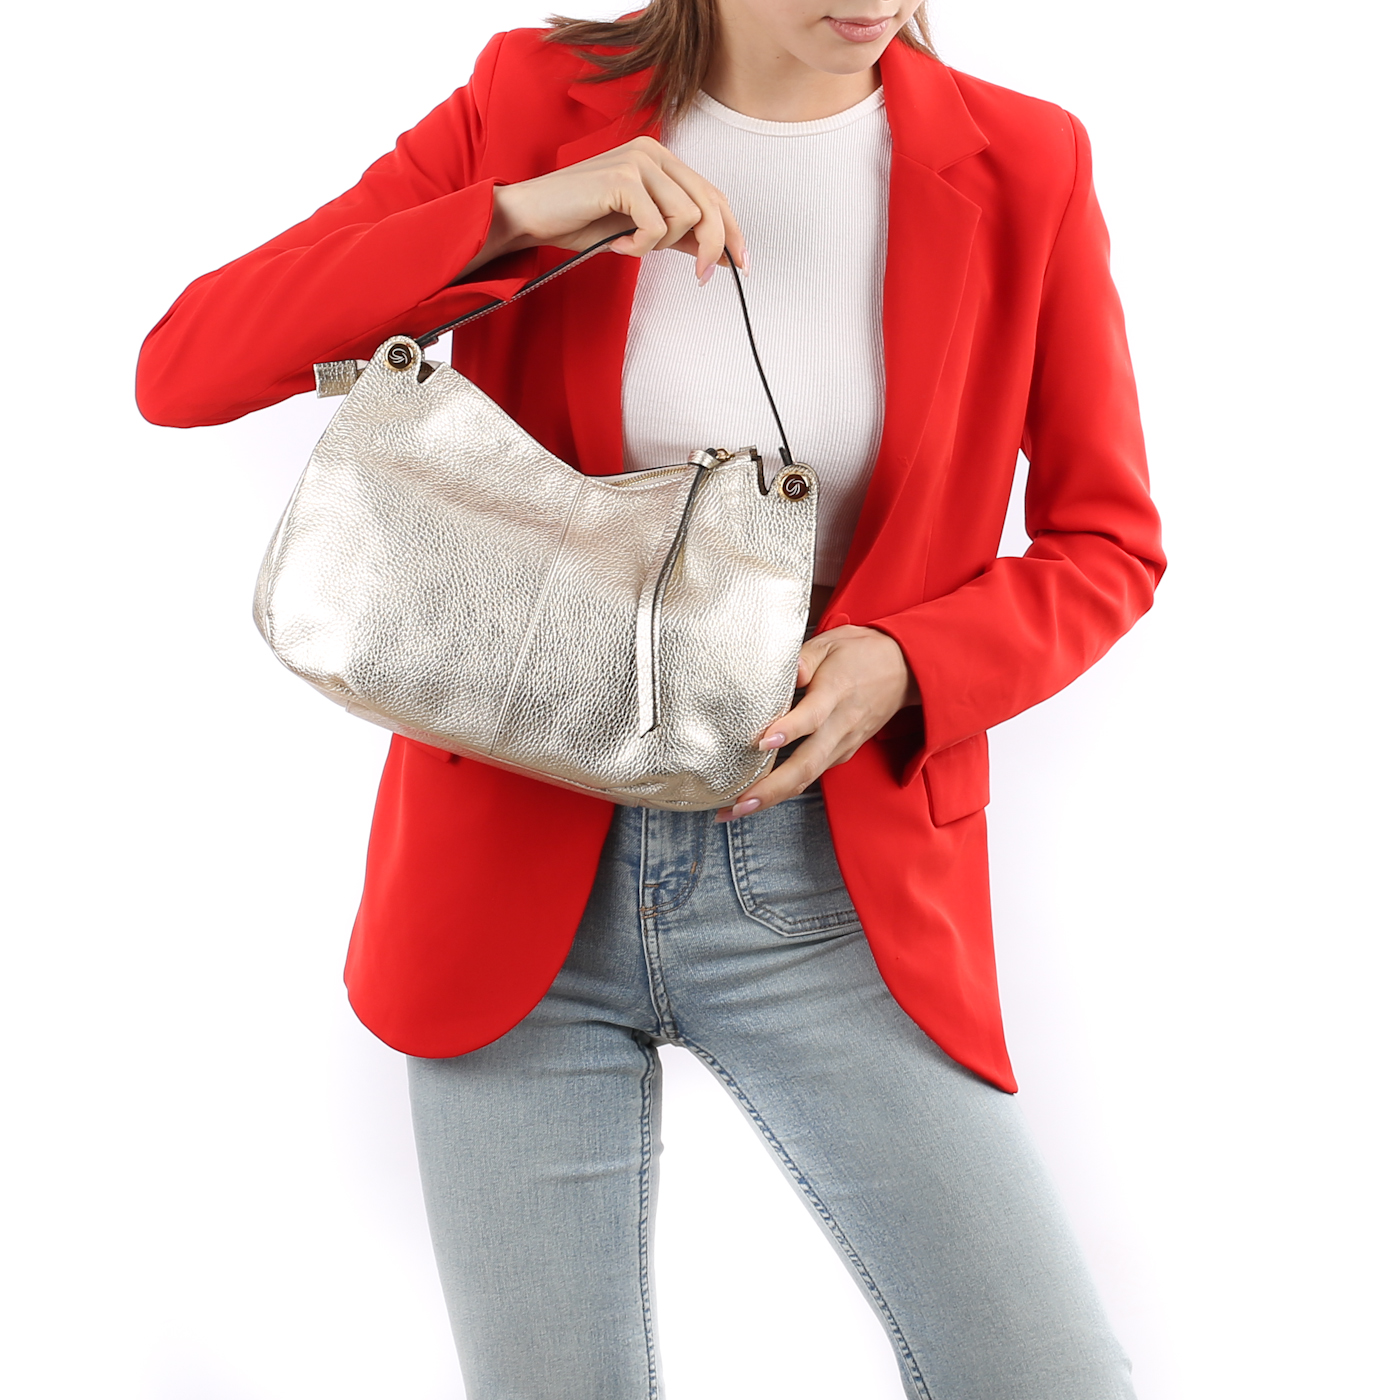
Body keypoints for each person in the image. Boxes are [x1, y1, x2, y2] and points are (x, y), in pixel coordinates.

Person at [137, 2, 1164, 1396]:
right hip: (511, 875)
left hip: (828, 876)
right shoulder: (536, 99)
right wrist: (515, 216)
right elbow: (184, 368)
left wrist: (910, 661)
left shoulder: (1023, 162)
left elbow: (1107, 542)